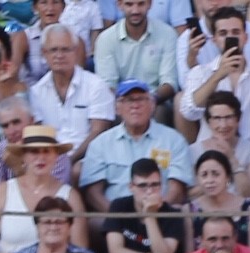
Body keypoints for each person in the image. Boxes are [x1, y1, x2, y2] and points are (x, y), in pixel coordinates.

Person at [80, 79, 191, 211]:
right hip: (117, 217)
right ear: (117, 108)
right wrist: (119, 219)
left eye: (141, 99)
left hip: (161, 213)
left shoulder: (174, 140)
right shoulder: (100, 143)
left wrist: (155, 213)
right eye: (128, 100)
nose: (135, 105)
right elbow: (93, 194)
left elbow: (177, 190)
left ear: (152, 105)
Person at [177, 7, 250, 145]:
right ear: (214, 39)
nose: (230, 37)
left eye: (236, 32)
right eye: (223, 33)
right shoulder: (200, 72)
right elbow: (189, 112)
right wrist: (218, 75)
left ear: (246, 37)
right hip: (211, 154)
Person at [0, 123, 87, 253]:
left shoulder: (70, 196)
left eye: (46, 151)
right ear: (23, 156)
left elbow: (80, 251)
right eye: (34, 151)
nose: (41, 158)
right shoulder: (3, 191)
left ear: (56, 156)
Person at [28, 24, 114, 173]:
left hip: (87, 157)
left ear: (75, 51)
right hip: (49, 158)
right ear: (44, 53)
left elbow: (98, 131)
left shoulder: (95, 85)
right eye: (53, 50)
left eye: (65, 49)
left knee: (76, 171)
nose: (59, 55)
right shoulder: (36, 91)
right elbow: (39, 133)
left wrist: (70, 160)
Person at [104, 156, 185, 253]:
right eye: (143, 186)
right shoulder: (119, 206)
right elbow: (115, 251)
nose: (149, 191)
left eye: (155, 185)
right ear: (131, 187)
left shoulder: (171, 213)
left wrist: (149, 216)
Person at [94, 0, 180, 104]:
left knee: (160, 112)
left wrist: (150, 101)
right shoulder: (106, 39)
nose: (135, 10)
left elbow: (169, 81)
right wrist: (128, 104)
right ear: (119, 5)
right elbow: (107, 84)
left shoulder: (167, 34)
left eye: (141, 4)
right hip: (119, 102)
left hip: (156, 101)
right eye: (129, 4)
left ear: (150, 4)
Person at [190, 91, 250, 198]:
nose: (223, 125)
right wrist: (215, 181)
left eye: (228, 117)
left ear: (238, 119)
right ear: (208, 121)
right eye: (217, 118)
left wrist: (232, 159)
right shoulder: (193, 151)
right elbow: (189, 196)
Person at [186, 148, 250, 247]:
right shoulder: (189, 210)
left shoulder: (249, 208)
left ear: (227, 177)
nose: (209, 180)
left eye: (216, 174)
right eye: (204, 175)